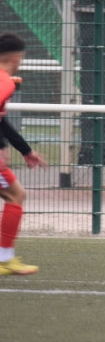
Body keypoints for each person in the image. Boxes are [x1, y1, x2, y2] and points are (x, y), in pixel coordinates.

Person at [0, 32, 49, 276]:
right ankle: (4, 259)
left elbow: (2, 121)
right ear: (17, 56)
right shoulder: (4, 81)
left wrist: (26, 151)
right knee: (15, 194)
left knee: (15, 194)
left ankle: (5, 258)